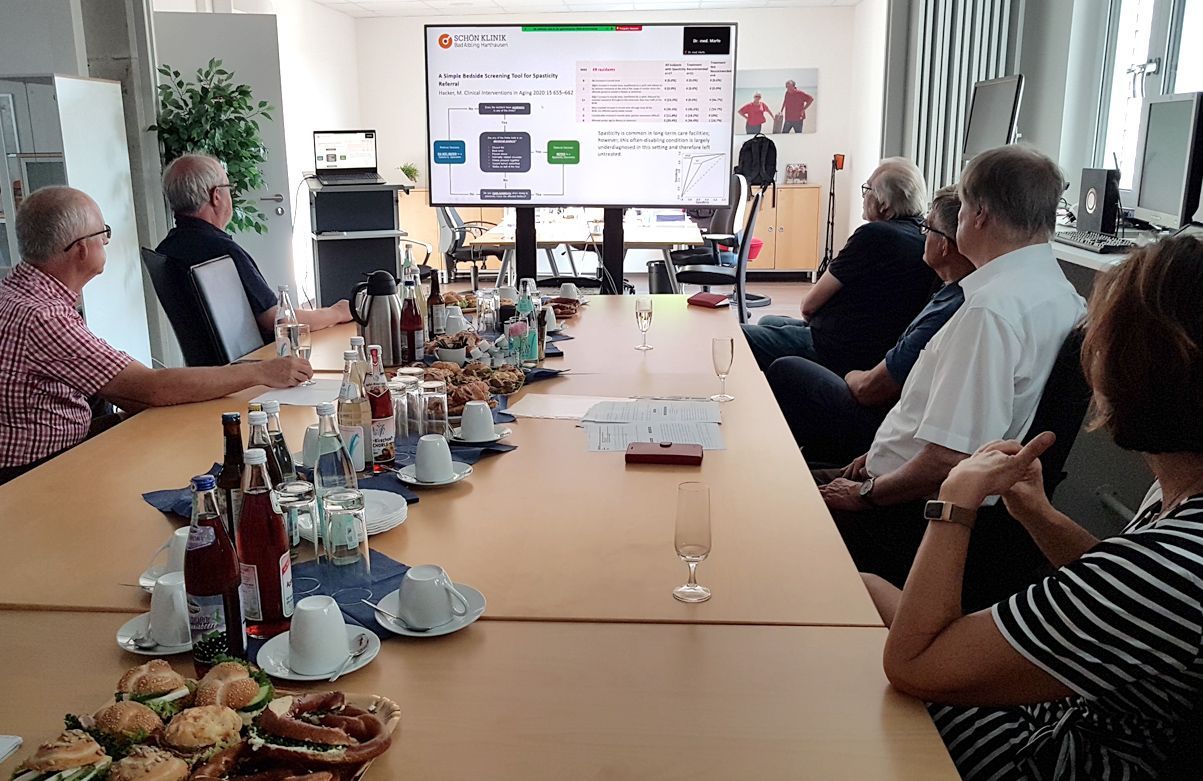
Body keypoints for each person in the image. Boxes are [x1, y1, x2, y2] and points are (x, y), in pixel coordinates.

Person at [866, 234, 1203, 779]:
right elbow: (1117, 589)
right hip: (1076, 713)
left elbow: (914, 665)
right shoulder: (1182, 495)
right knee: (863, 589)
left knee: (863, 649)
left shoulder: (1172, 567)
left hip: (1057, 754)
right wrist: (1038, 515)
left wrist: (954, 501)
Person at [818, 145, 1086, 587]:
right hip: (906, 488)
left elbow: (949, 458)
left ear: (978, 214)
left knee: (765, 502)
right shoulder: (1061, 294)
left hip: (909, 514)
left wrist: (866, 493)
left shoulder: (991, 310)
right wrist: (878, 456)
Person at [0, 186, 311, 484]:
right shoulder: (45, 316)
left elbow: (122, 387)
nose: (106, 242)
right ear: (81, 248)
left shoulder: (16, 291)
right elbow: (150, 388)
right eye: (103, 233)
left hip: (49, 450)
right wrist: (260, 372)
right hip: (39, 472)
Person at [766, 186, 974, 465]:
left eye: (927, 229)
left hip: (881, 418)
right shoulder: (949, 288)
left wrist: (851, 375)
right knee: (769, 322)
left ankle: (791, 462)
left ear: (945, 245)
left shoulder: (948, 307)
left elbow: (870, 390)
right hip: (876, 373)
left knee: (784, 367)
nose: (922, 235)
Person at [741, 157, 935, 376]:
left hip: (834, 348)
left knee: (738, 336)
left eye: (867, 189)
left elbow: (808, 306)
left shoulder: (875, 235)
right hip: (873, 348)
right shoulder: (925, 239)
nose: (864, 196)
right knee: (768, 320)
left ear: (884, 204)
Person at [155, 154, 351, 342]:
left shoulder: (166, 249)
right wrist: (337, 312)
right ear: (216, 196)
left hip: (211, 364)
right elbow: (278, 320)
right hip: (259, 360)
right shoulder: (221, 252)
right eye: (228, 187)